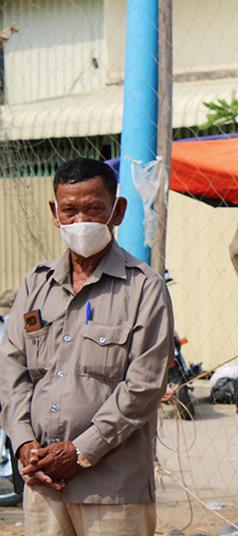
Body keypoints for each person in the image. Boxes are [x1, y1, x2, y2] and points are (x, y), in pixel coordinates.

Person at [0, 157, 175, 536]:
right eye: (71, 210)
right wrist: (25, 444)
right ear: (55, 214)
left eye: (94, 209)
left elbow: (143, 387)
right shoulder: (35, 286)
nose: (82, 221)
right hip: (43, 484)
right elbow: (12, 371)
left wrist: (80, 453)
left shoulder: (143, 287)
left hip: (113, 491)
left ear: (117, 211)